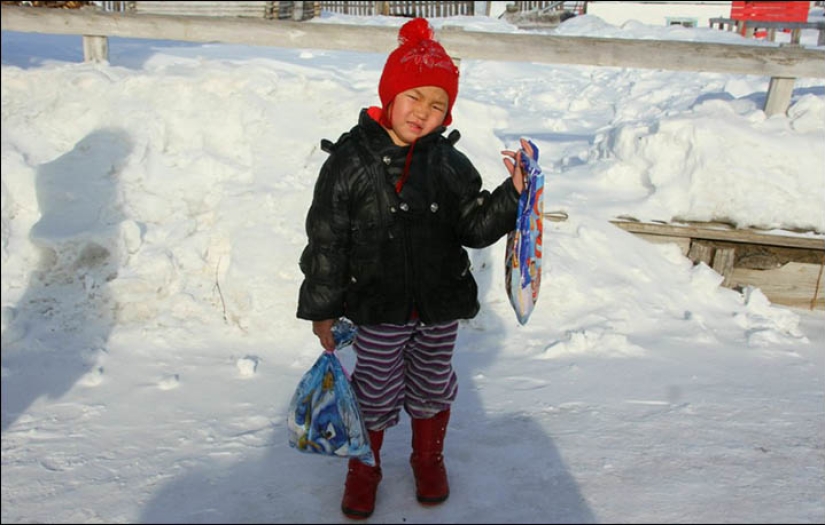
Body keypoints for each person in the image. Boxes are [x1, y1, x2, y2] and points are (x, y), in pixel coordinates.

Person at [296, 17, 532, 520]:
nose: (423, 113)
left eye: (438, 105)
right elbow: (327, 242)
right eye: (414, 98)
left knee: (431, 385)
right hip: (378, 307)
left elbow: (472, 226)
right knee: (375, 391)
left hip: (439, 305)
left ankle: (428, 457)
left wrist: (512, 195)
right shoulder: (349, 163)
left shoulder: (448, 163)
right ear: (390, 94)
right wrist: (322, 310)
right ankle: (365, 467)